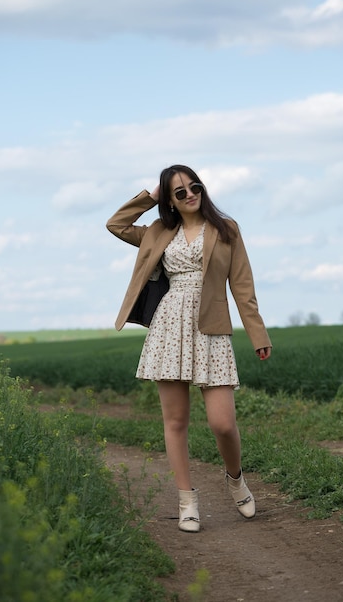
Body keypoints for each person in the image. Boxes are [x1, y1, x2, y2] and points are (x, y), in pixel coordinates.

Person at [106, 164, 272, 533]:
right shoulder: (158, 232)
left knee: (223, 423)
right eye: (179, 192)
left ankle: (235, 480)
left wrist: (257, 334)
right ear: (170, 199)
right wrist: (151, 195)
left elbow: (242, 286)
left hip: (210, 328)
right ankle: (187, 501)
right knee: (176, 421)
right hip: (169, 327)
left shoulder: (226, 230)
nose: (190, 194)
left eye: (194, 186)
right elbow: (116, 224)